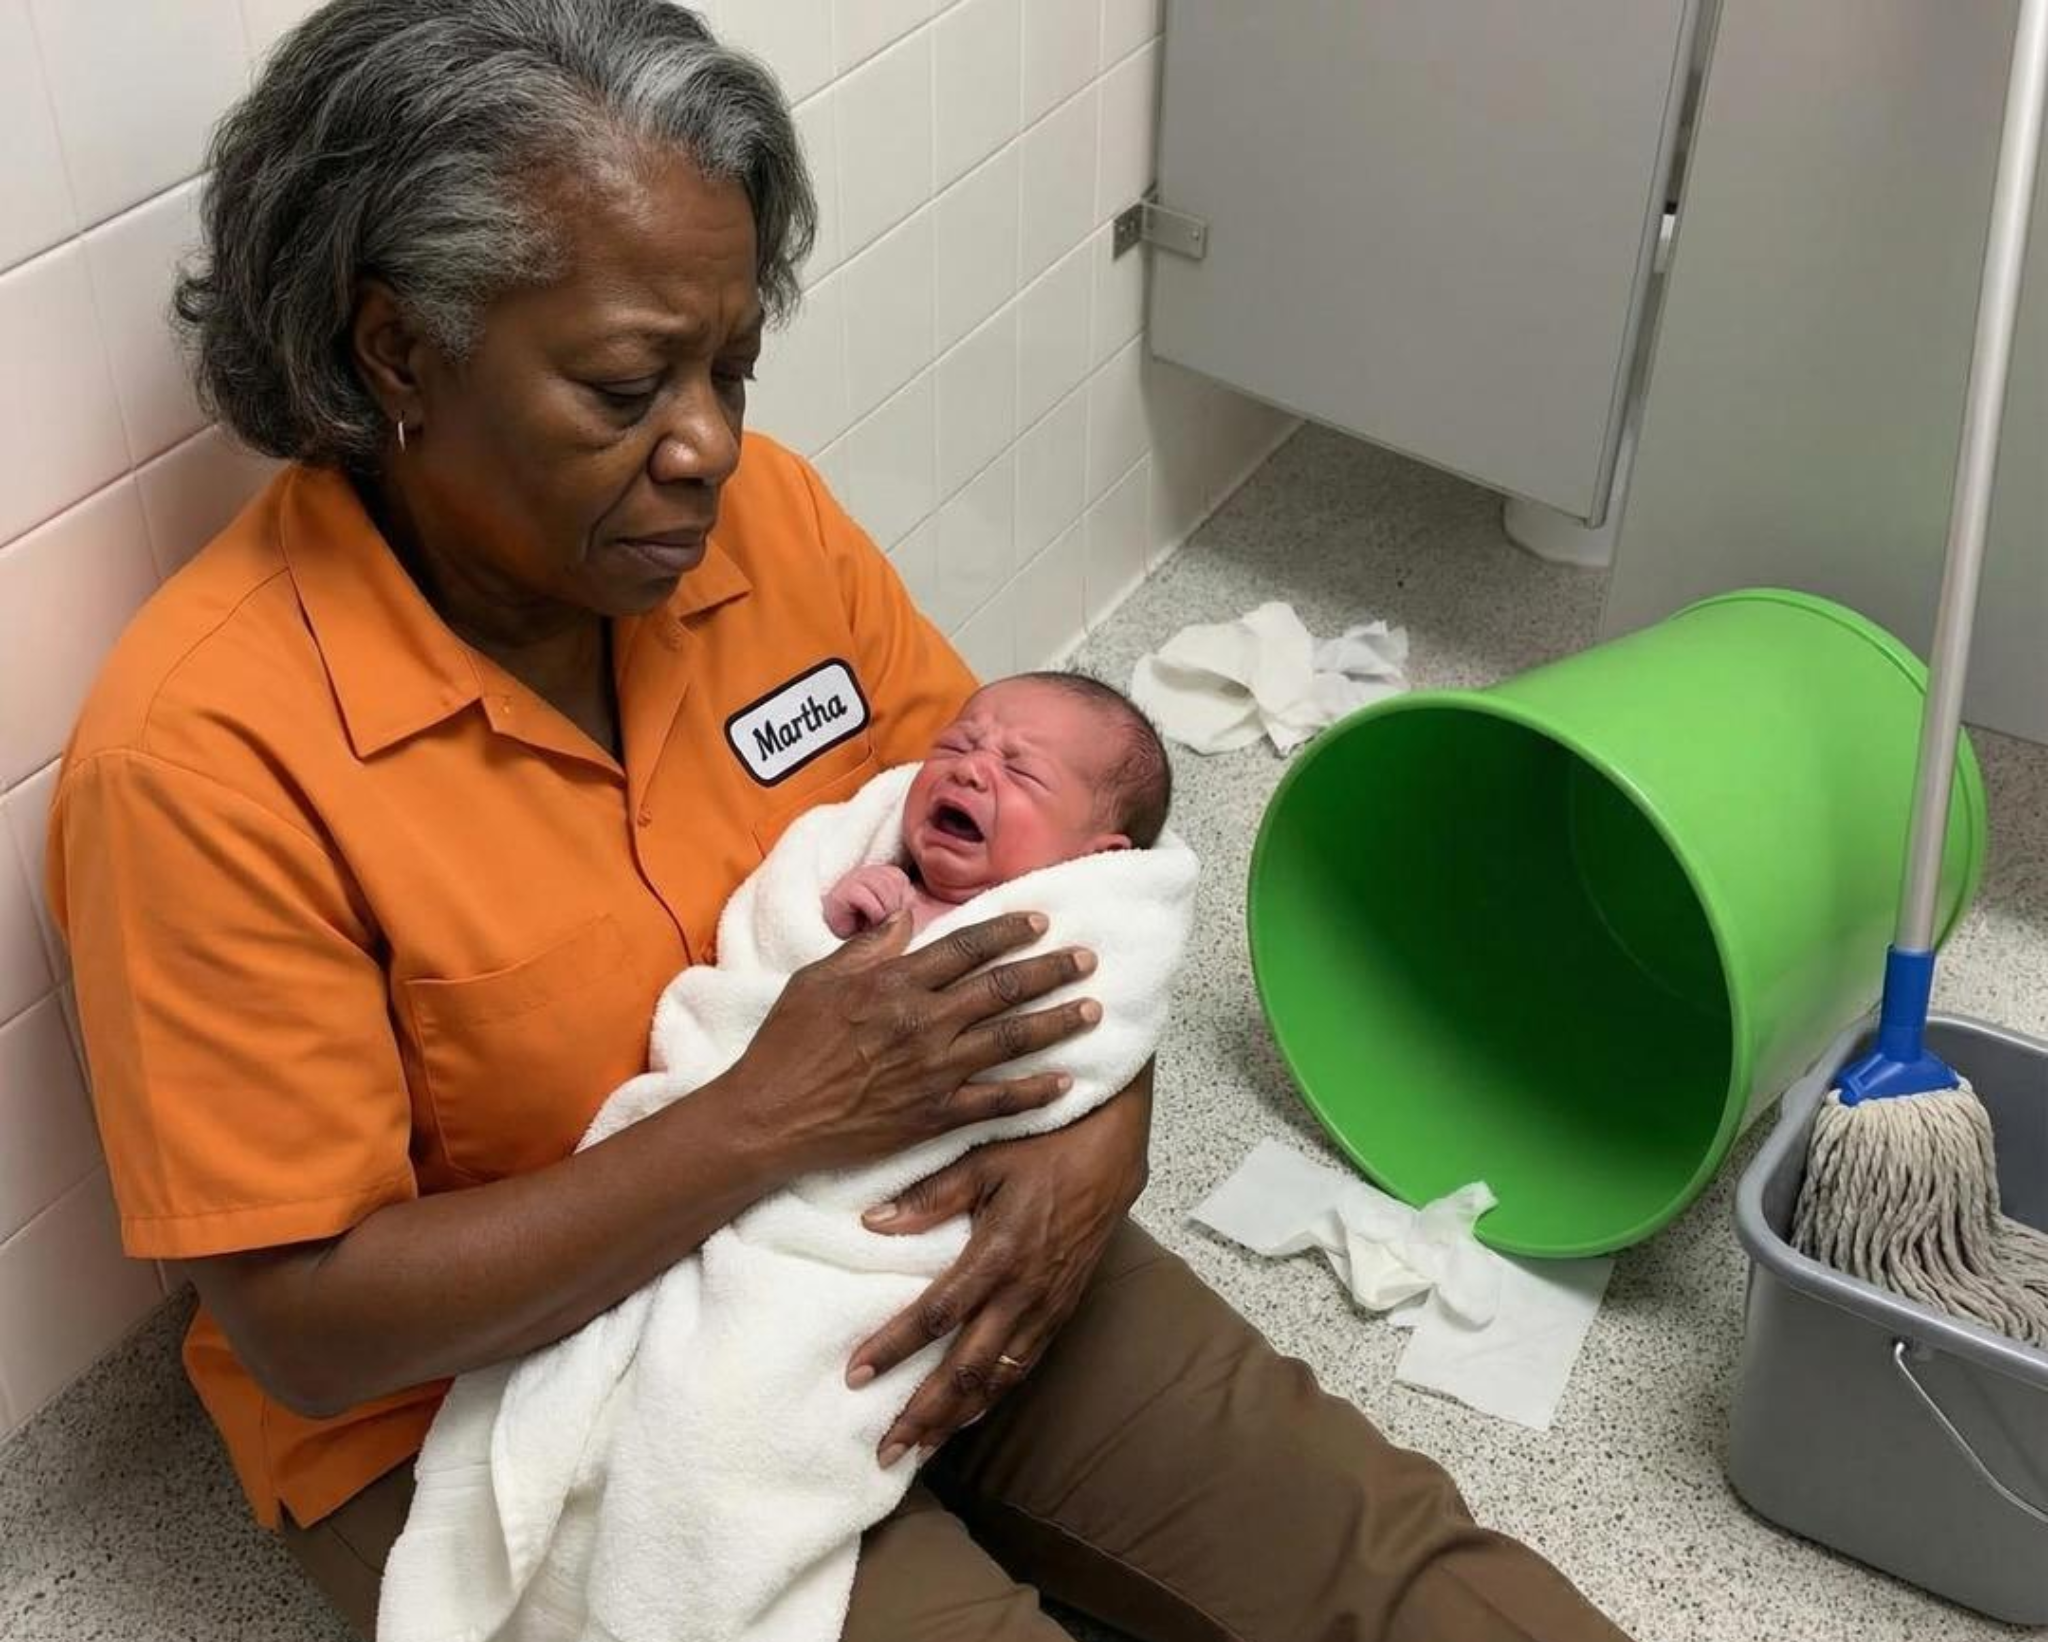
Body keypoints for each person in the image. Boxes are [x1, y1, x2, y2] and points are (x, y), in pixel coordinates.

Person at [46, 3, 1630, 1639]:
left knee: (1382, 1560)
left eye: (730, 366)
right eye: (625, 385)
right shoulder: (205, 760)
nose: (709, 445)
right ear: (398, 351)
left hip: (893, 1209)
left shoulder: (759, 528)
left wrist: (1102, 1120)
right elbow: (313, 1326)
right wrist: (766, 1115)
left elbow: (1068, 878)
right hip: (505, 1400)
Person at [824, 674, 1172, 939]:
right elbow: (804, 953)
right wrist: (839, 915)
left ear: (1096, 858)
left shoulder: (1063, 935)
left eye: (1021, 771)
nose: (967, 767)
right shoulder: (886, 888)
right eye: (956, 746)